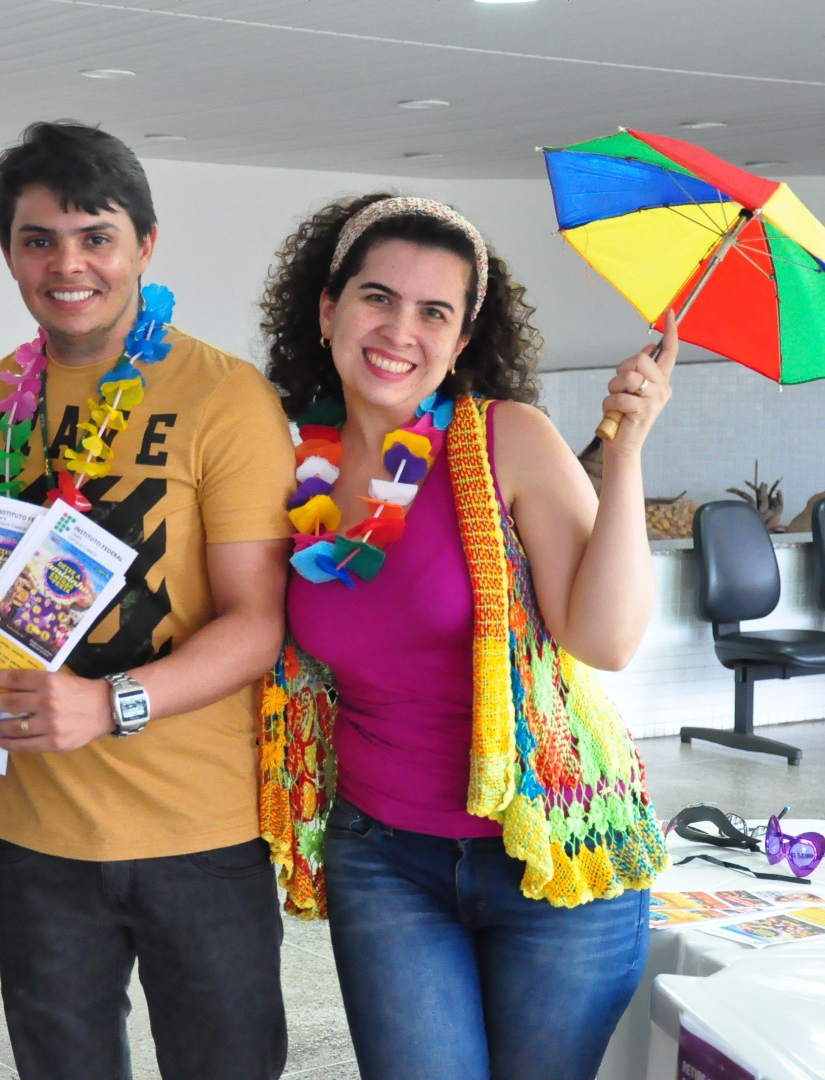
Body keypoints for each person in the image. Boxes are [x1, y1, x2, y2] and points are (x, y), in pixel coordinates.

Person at [257, 193, 674, 1080]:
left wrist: (628, 451)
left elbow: (604, 641)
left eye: (433, 311)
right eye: (377, 297)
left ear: (461, 336)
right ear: (329, 310)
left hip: (550, 847)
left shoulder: (503, 441)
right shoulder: (294, 462)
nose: (399, 329)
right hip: (384, 858)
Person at [0, 120, 296, 1080]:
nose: (68, 265)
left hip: (199, 830)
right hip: (35, 833)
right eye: (39, 240)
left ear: (144, 245)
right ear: (9, 254)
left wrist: (108, 704)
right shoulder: (6, 392)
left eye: (95, 236)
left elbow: (257, 623)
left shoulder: (225, 397)